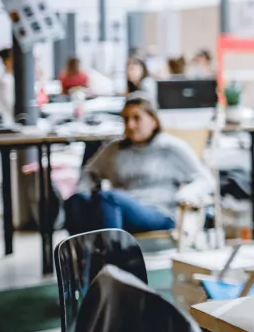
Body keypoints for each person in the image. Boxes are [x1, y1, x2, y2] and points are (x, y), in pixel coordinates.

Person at [64, 94, 214, 235]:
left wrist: (186, 195)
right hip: (118, 211)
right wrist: (85, 192)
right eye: (126, 119)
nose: (130, 125)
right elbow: (90, 171)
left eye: (137, 118)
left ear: (153, 121)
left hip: (158, 213)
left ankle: (112, 252)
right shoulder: (115, 149)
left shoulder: (170, 147)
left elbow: (205, 180)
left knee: (110, 198)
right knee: (75, 202)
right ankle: (82, 253)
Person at [0, 48, 14, 124]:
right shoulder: (4, 80)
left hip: (4, 118)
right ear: (7, 62)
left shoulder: (9, 78)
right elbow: (10, 104)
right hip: (4, 120)